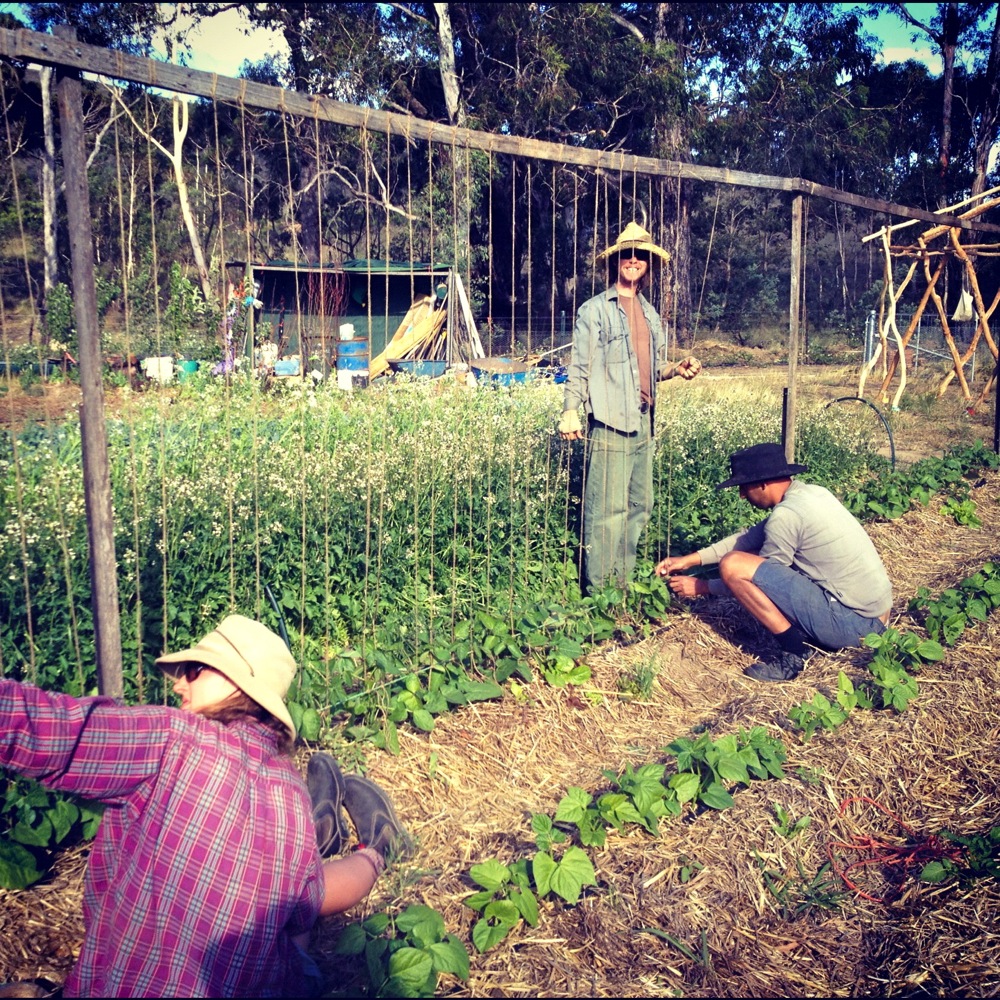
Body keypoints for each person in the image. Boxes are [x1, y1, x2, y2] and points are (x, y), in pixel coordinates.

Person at [0, 615, 407, 998]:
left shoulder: (170, 739)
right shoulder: (287, 786)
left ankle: (335, 839)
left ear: (237, 684)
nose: (179, 684)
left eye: (194, 670)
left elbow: (44, 727)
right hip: (269, 978)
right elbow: (302, 909)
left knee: (296, 902)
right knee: (298, 909)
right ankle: (375, 850)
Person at [656, 442, 892, 681]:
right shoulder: (813, 493)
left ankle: (796, 652)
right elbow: (748, 538)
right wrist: (689, 560)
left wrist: (702, 587)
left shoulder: (786, 516)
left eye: (744, 487)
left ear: (763, 484)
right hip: (878, 616)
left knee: (732, 565)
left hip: (856, 628)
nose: (741, 495)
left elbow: (757, 578)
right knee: (746, 559)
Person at [558, 221, 701, 592]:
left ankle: (621, 584)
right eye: (627, 254)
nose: (634, 260)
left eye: (641, 256)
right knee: (607, 512)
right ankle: (599, 593)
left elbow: (651, 368)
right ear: (616, 261)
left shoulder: (650, 315)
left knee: (639, 506)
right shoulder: (594, 310)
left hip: (644, 423)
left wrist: (675, 368)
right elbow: (580, 366)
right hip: (609, 423)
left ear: (648, 265)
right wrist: (570, 409)